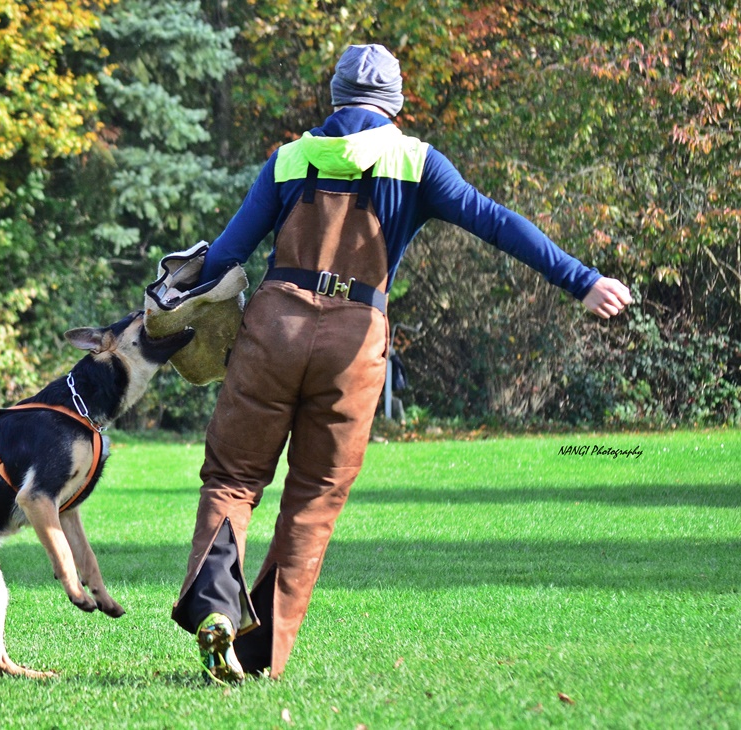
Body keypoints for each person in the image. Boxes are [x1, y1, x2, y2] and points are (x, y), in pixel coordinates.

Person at [169, 43, 632, 684]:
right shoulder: (417, 162)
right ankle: (256, 656)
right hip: (354, 341)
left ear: (335, 97)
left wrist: (166, 311)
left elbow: (224, 257)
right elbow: (496, 222)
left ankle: (217, 605)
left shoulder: (290, 158)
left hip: (273, 331)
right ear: (394, 102)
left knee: (234, 477)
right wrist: (581, 279)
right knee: (313, 498)